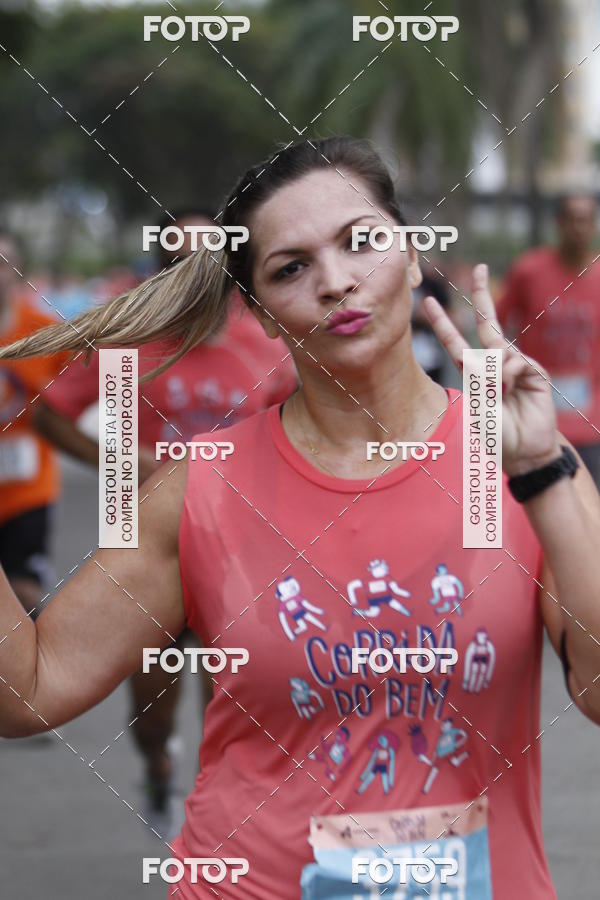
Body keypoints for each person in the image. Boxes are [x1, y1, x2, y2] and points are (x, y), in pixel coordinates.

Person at [1, 136, 599, 899]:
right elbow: (29, 691)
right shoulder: (200, 489)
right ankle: (155, 769)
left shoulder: (522, 464)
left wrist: (541, 472)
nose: (336, 283)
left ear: (413, 256)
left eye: (362, 243)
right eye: (291, 268)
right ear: (259, 310)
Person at [32, 208, 298, 834]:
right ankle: (156, 761)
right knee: (152, 707)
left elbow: (303, 421)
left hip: (237, 550)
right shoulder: (128, 346)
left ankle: (220, 822)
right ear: (162, 273)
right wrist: (125, 458)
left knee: (230, 697)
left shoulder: (261, 341)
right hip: (147, 550)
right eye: (182, 262)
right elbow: (51, 417)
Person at [498, 194, 600, 485]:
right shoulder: (529, 271)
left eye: (586, 220)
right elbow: (496, 325)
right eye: (572, 220)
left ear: (594, 226)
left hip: (591, 424)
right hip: (536, 419)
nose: (578, 228)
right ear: (559, 223)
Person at [0, 230, 68, 620]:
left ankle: (34, 677)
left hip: (29, 487)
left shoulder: (45, 331)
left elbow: (84, 388)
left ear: (18, 270)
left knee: (25, 591)